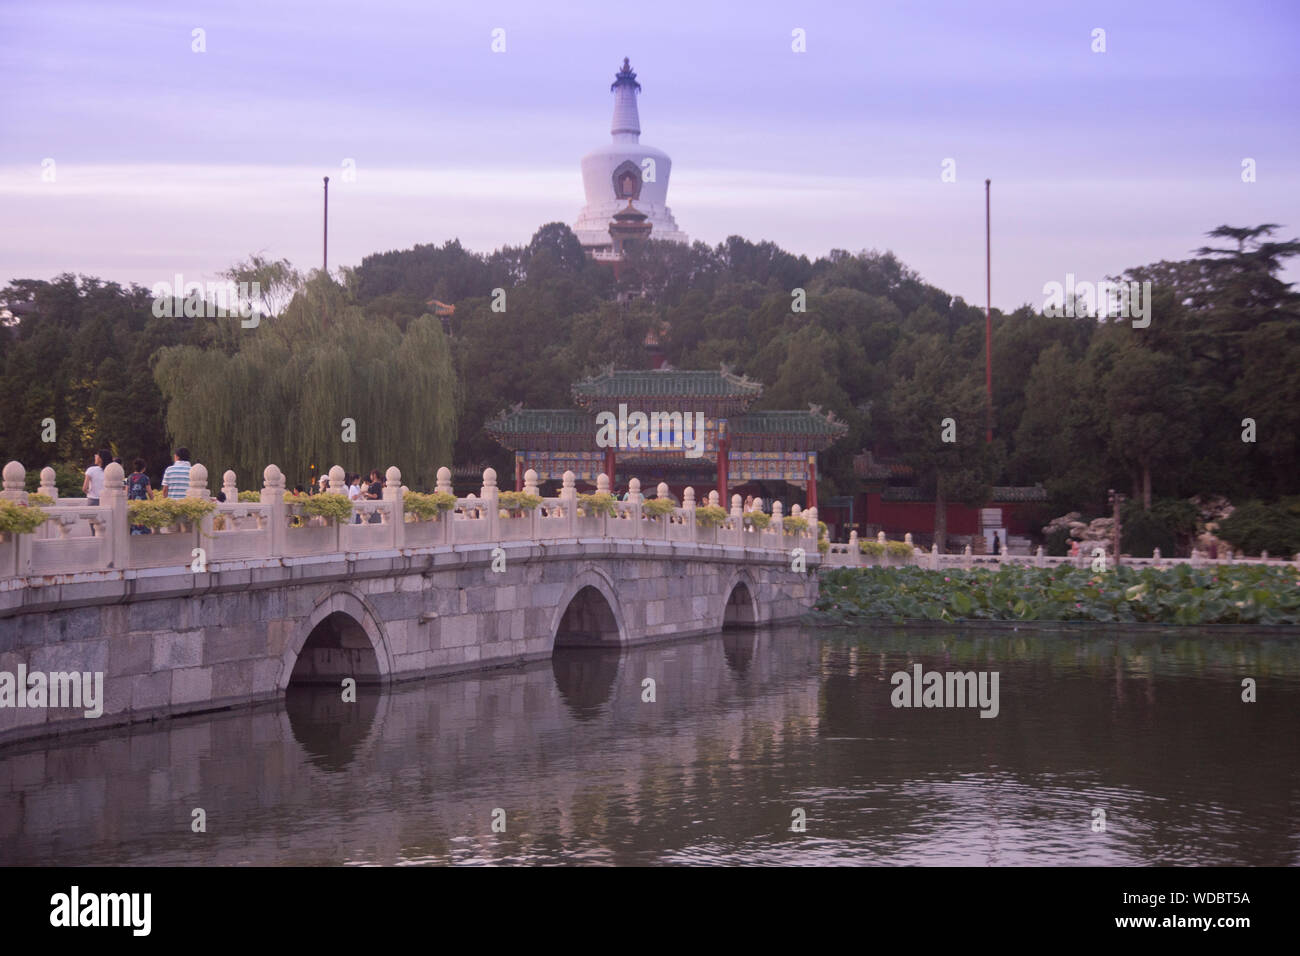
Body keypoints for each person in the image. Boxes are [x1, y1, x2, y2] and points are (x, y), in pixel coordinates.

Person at [127, 458, 151, 534]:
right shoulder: (145, 478)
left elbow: (126, 491)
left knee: (133, 517)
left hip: (132, 501)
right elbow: (149, 491)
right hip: (142, 502)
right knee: (142, 517)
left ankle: (134, 531)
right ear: (143, 468)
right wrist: (153, 500)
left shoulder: (129, 477)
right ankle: (143, 532)